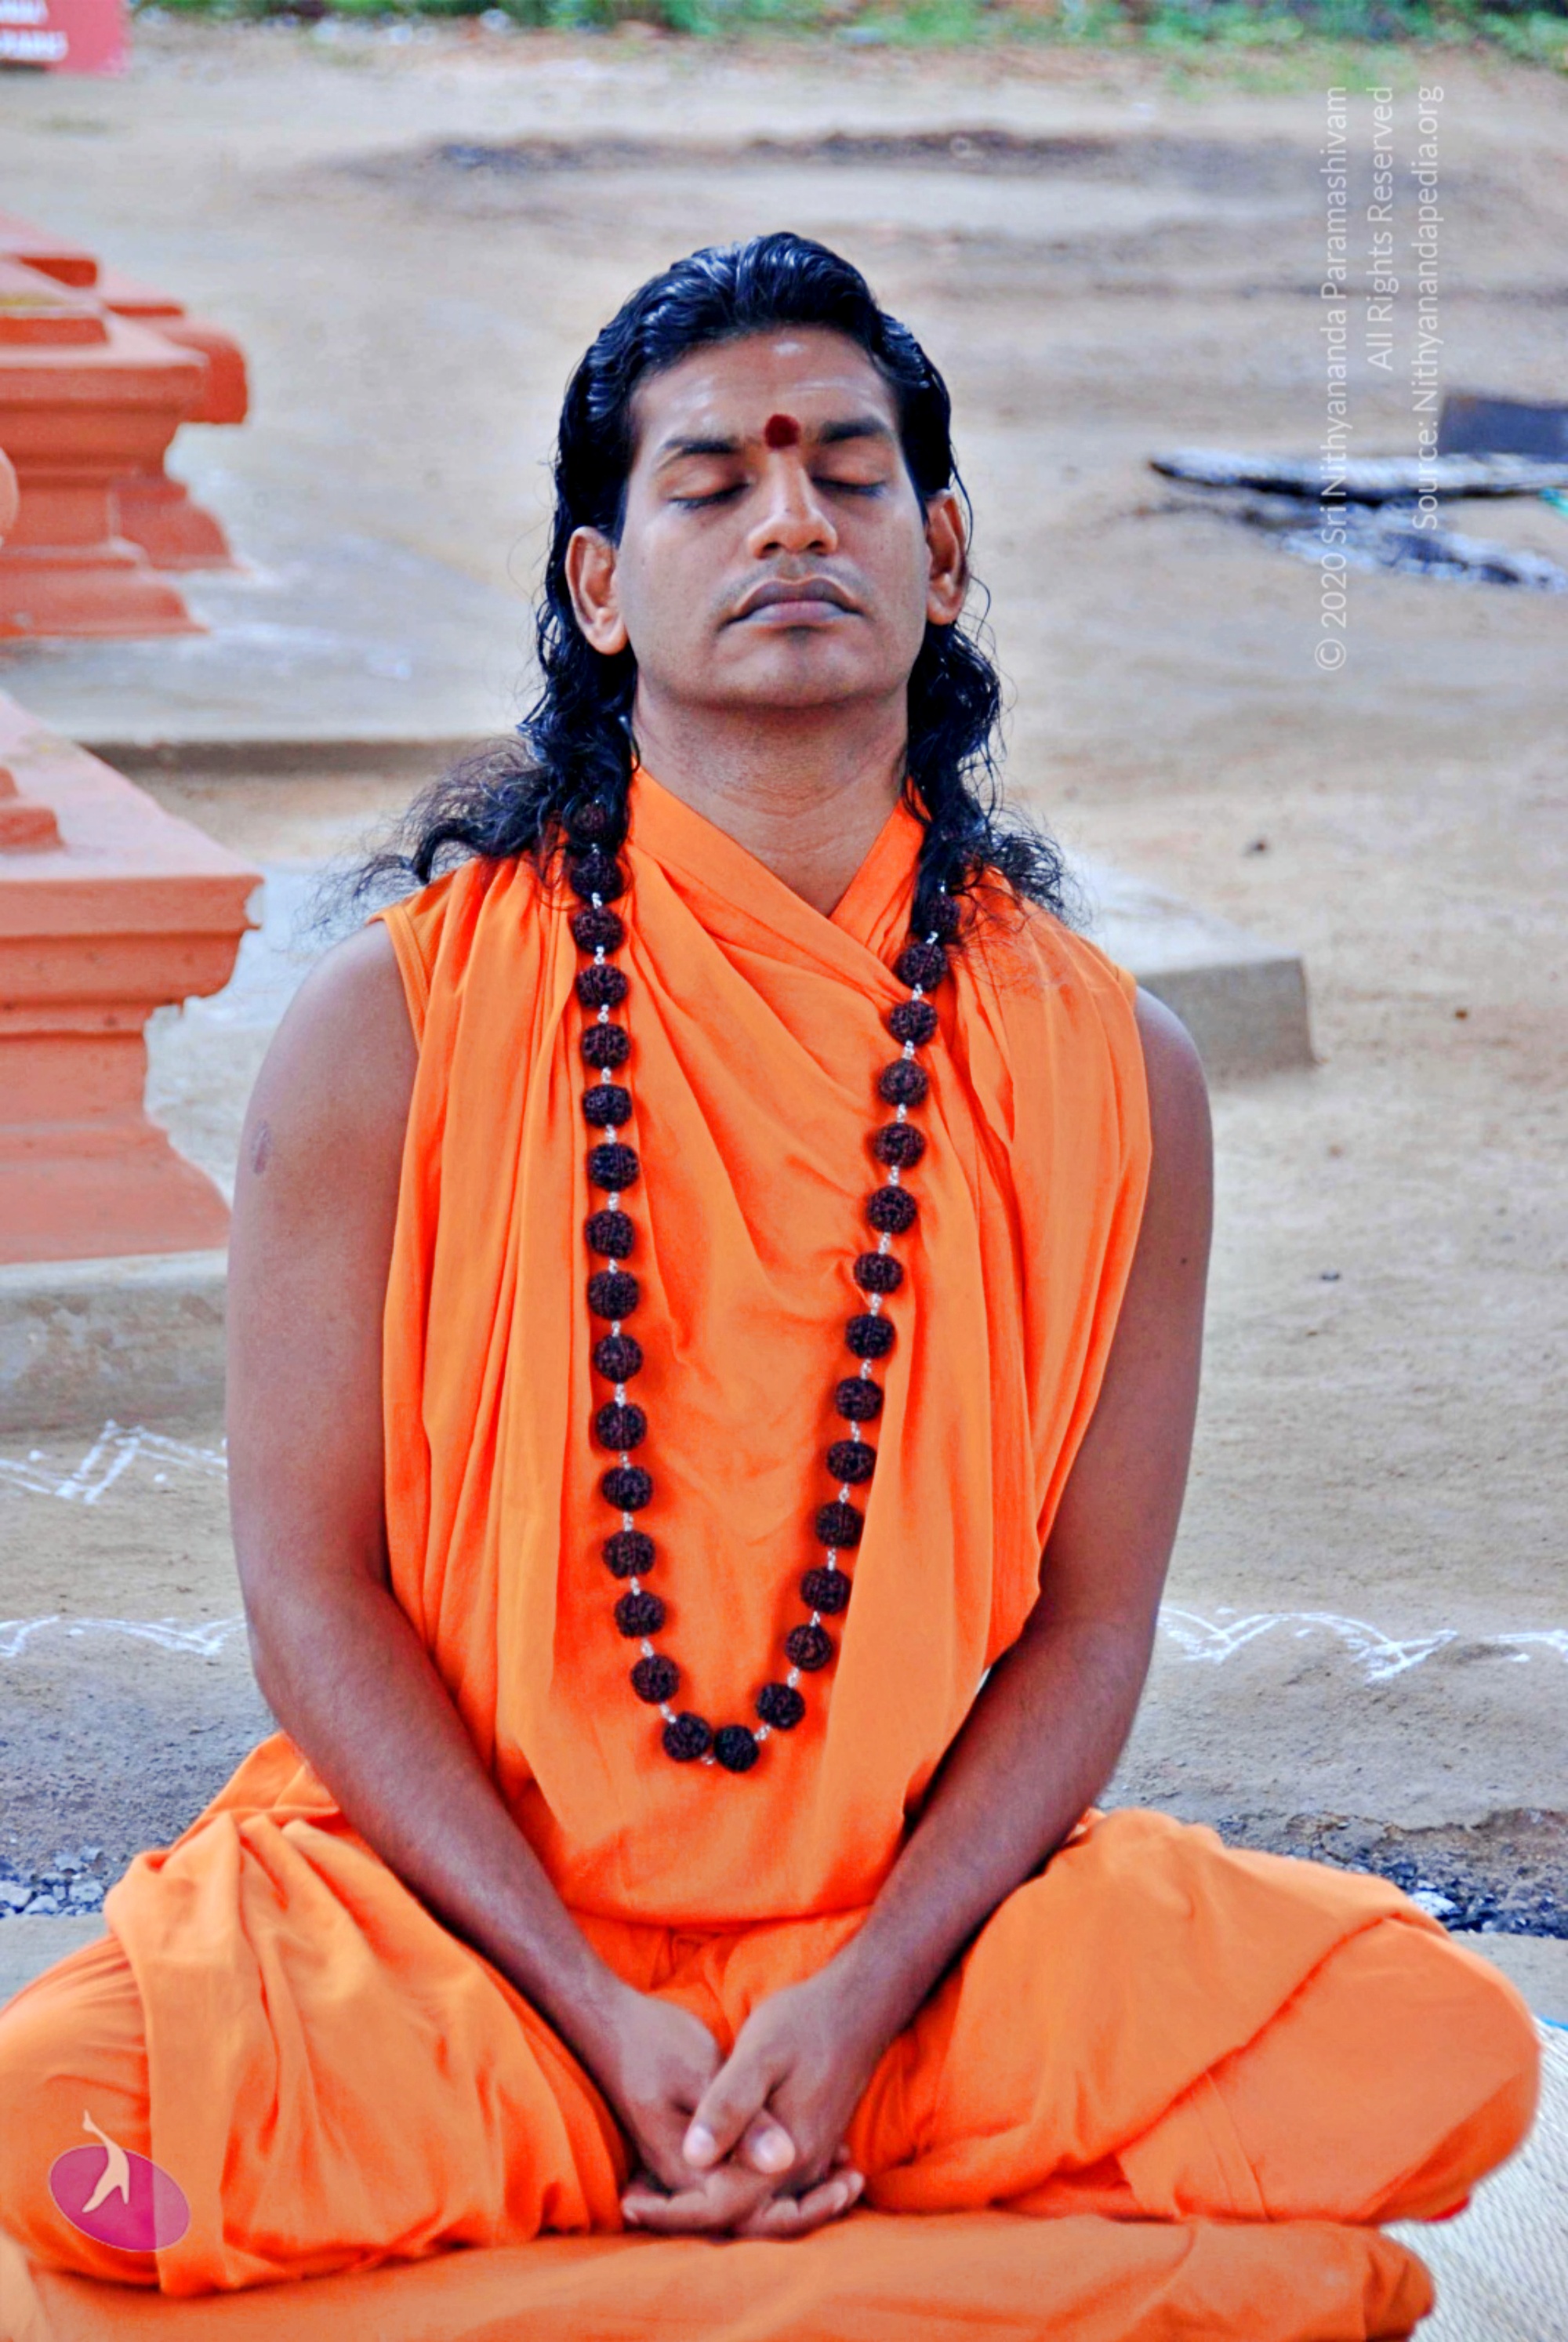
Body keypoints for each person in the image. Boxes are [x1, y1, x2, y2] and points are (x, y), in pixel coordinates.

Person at [0, 234, 1538, 2339]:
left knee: (1433, 2048)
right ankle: (960, 2276)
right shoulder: (398, 1026)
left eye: (846, 471)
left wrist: (862, 1992)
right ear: (601, 586)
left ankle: (586, 2261)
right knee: (71, 2120)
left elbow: (1093, 1629)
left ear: (942, 551)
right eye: (713, 481)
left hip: (919, 1974)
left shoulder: (1113, 1069)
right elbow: (310, 1591)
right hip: (468, 1948)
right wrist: (590, 1999)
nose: (792, 519)